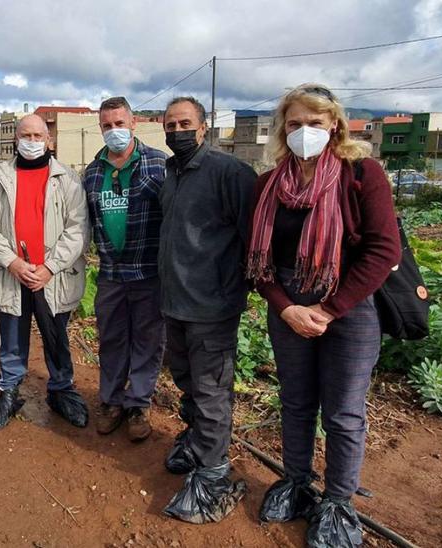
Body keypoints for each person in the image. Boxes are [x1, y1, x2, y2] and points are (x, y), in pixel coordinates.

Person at [249, 84, 400, 548]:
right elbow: (258, 259)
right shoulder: (269, 184)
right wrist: (288, 306)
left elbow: (383, 249)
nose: (305, 132)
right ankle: (296, 481)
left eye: (315, 123)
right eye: (295, 124)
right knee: (295, 401)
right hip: (289, 304)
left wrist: (329, 309)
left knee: (343, 412)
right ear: (283, 129)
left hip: (348, 307)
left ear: (334, 124)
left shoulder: (361, 175)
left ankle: (337, 501)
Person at [157, 96, 257, 524]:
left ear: (203, 128)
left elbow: (254, 240)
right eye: (170, 124)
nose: (177, 130)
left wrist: (236, 289)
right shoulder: (171, 173)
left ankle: (214, 472)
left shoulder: (229, 173)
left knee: (212, 390)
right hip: (174, 302)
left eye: (185, 123)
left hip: (212, 307)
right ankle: (198, 440)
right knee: (186, 380)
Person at [0, 114, 90, 431]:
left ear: (49, 140)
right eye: (26, 135)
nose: (32, 141)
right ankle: (9, 392)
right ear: (16, 139)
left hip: (52, 276)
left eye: (39, 135)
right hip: (12, 273)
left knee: (57, 337)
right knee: (11, 337)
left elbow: (78, 229)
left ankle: (61, 390)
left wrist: (50, 267)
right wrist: (12, 262)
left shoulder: (67, 179)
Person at [81, 96, 167, 442]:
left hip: (148, 272)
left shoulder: (159, 165)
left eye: (120, 123)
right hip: (111, 274)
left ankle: (138, 404)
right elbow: (86, 223)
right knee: (113, 339)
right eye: (107, 125)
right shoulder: (92, 173)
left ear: (134, 123)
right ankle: (111, 401)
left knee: (148, 340)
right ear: (100, 128)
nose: (114, 130)